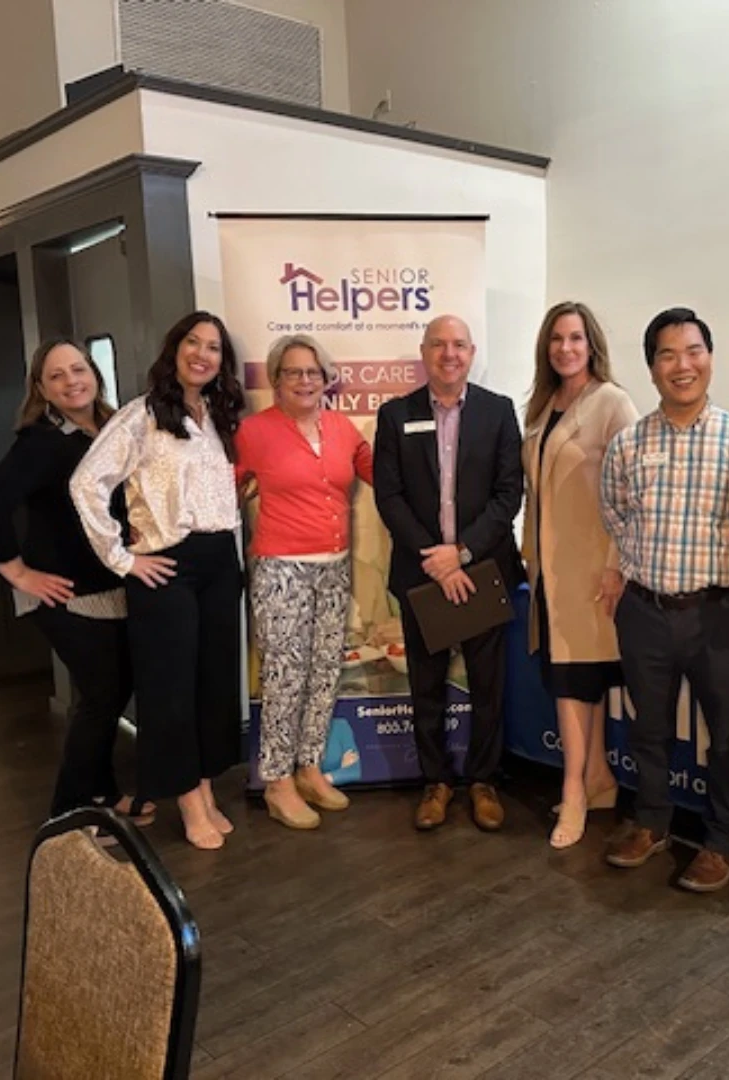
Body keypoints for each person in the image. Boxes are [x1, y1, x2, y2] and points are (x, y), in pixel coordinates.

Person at [601, 307, 729, 891]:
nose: (682, 365)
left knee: (727, 733)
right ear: (651, 368)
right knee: (648, 729)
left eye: (692, 351)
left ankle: (723, 843)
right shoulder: (627, 444)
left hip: (716, 612)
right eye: (667, 355)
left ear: (710, 358)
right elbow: (616, 514)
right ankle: (652, 823)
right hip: (644, 610)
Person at [70, 312, 245, 851]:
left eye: (213, 347)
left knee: (214, 682)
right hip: (167, 564)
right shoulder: (141, 416)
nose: (202, 353)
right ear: (174, 350)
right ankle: (188, 800)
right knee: (172, 689)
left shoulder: (217, 415)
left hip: (220, 560)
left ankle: (206, 787)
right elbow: (86, 483)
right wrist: (123, 560)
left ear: (222, 362)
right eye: (192, 342)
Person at [0, 339, 150, 825]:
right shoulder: (42, 440)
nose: (72, 381)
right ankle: (68, 816)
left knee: (113, 692)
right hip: (65, 593)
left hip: (109, 584)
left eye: (78, 369)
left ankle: (102, 793)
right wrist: (17, 572)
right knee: (100, 695)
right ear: (41, 388)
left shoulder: (111, 427)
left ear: (94, 373)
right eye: (57, 375)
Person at [374, 314, 524, 832]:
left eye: (458, 345)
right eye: (438, 344)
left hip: (481, 569)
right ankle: (434, 782)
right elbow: (388, 496)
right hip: (422, 573)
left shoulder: (499, 412)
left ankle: (483, 781)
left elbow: (510, 495)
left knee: (488, 686)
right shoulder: (396, 415)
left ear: (472, 351)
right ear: (424, 351)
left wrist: (459, 554)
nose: (449, 354)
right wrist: (434, 558)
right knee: (427, 685)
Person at [235, 334, 373, 830]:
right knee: (285, 675)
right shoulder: (254, 431)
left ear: (326, 378)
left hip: (334, 566)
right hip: (280, 568)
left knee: (322, 670)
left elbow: (379, 473)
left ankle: (309, 766)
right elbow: (222, 489)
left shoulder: (341, 428)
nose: (305, 380)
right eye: (293, 372)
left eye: (313, 372)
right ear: (276, 380)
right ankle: (276, 780)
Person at [522, 301, 637, 849]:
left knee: (575, 682)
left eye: (575, 338)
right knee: (570, 679)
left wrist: (616, 565)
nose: (565, 348)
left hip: (593, 571)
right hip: (550, 572)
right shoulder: (543, 407)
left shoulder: (611, 403)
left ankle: (573, 791)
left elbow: (634, 493)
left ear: (591, 344)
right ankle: (598, 779)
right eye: (556, 339)